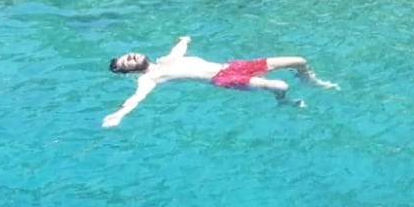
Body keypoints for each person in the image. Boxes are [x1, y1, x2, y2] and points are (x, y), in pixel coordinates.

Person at [103, 37, 338, 128]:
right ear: (130, 71)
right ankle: (284, 102)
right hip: (224, 78)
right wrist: (119, 115)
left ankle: (310, 80)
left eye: (129, 55)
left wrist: (183, 40)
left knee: (299, 60)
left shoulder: (168, 58)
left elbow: (179, 49)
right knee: (280, 86)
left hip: (234, 66)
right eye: (127, 62)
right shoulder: (149, 78)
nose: (130, 57)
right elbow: (137, 98)